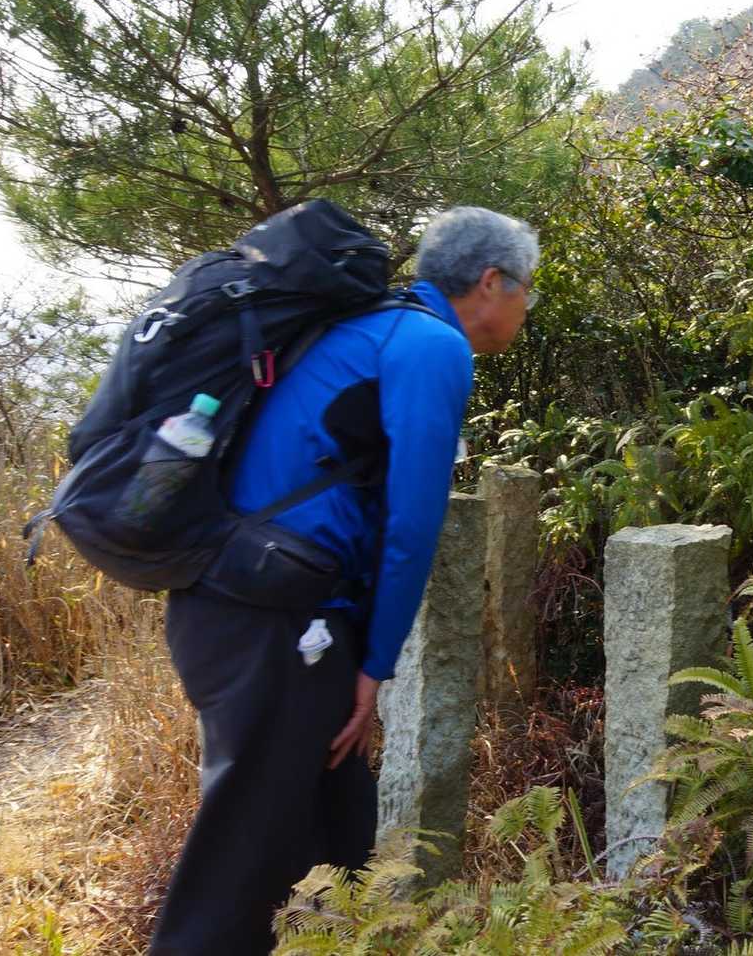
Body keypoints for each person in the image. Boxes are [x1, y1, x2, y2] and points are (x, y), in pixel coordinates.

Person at [149, 206, 540, 954]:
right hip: (276, 622)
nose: (528, 306)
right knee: (242, 864)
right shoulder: (430, 345)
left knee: (333, 841)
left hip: (250, 609)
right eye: (528, 288)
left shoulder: (374, 328)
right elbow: (412, 525)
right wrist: (375, 666)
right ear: (492, 282)